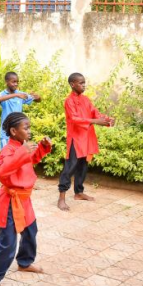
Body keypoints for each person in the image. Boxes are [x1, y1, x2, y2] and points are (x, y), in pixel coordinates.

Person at [0, 113, 52, 286]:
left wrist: (43, 147)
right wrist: (24, 152)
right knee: (7, 243)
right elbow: (2, 170)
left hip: (24, 200)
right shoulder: (8, 150)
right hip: (10, 201)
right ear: (14, 131)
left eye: (29, 127)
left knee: (31, 232)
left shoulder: (23, 148)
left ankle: (24, 262)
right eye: (26, 128)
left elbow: (32, 160)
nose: (29, 131)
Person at [57, 73, 115, 211]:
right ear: (72, 84)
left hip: (87, 138)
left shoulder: (86, 100)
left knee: (83, 166)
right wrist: (95, 121)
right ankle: (61, 197)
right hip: (75, 139)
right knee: (70, 167)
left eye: (84, 82)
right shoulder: (69, 101)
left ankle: (78, 192)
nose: (84, 85)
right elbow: (74, 119)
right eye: (81, 83)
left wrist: (108, 120)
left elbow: (96, 113)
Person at [0, 72, 40, 150]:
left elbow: (37, 100)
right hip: (6, 133)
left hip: (18, 133)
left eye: (17, 82)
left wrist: (38, 97)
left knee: (18, 156)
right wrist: (16, 95)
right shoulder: (3, 94)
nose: (16, 84)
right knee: (6, 157)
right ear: (6, 82)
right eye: (13, 82)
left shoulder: (21, 94)